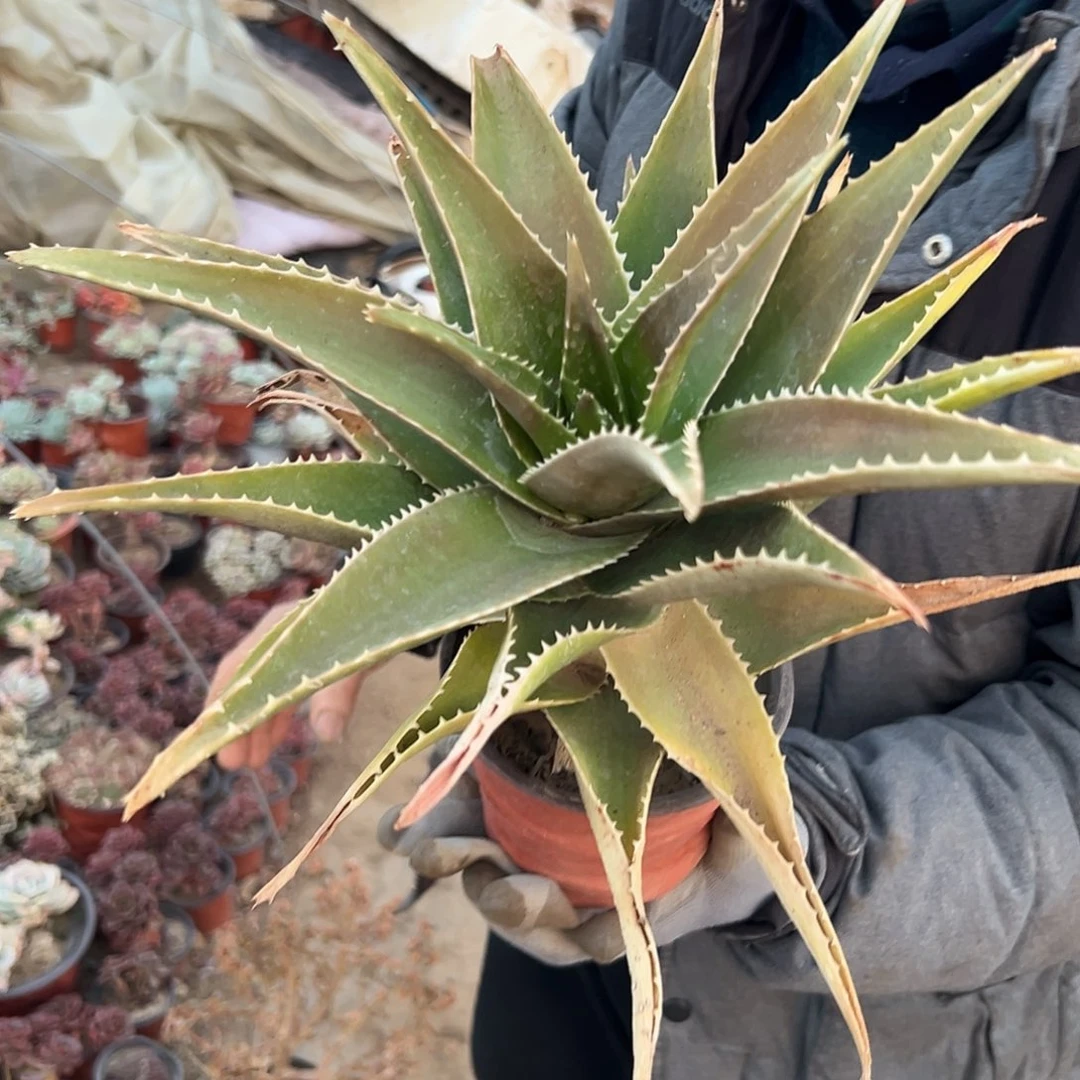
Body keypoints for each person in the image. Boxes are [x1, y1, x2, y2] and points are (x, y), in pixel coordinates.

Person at [210, 0, 1080, 1076]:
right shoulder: (689, 17)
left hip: (879, 1020)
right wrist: (373, 594)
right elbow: (510, 339)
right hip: (557, 940)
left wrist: (807, 846)